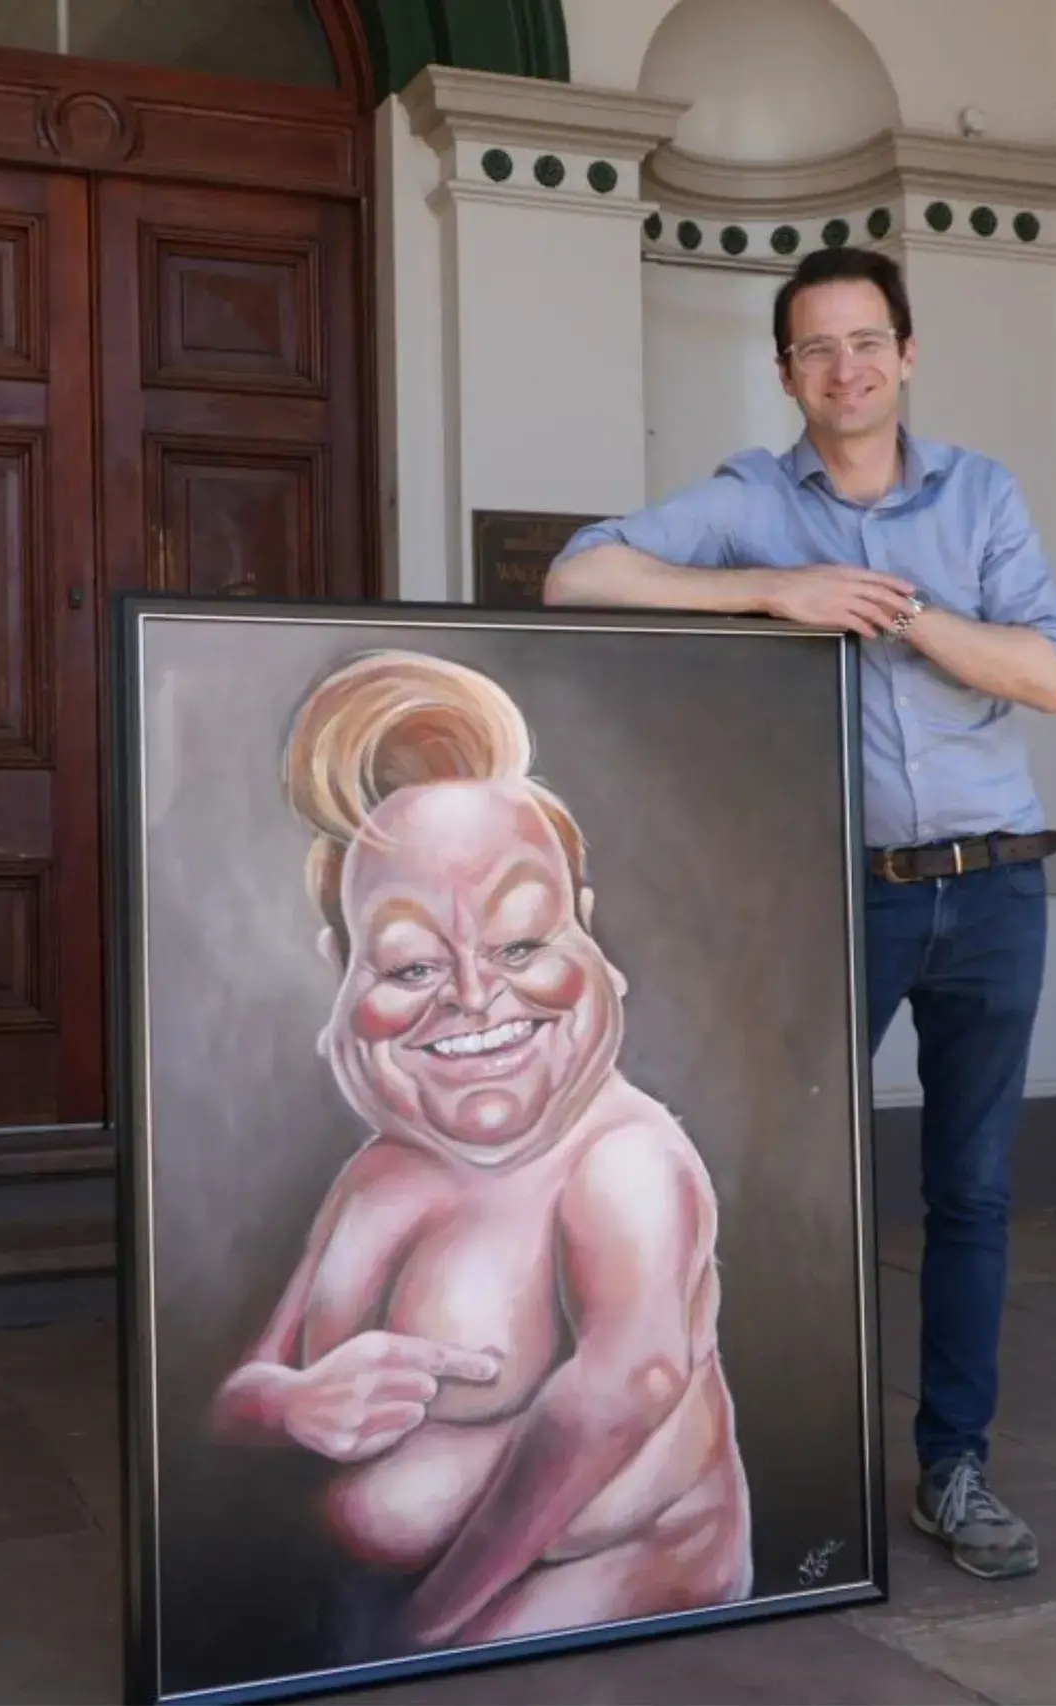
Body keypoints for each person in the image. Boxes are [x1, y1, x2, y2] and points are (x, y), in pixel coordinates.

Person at [543, 245, 1056, 1581]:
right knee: (784, 1187)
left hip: (998, 887)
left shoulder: (982, 496)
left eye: (866, 341)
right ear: (787, 372)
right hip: (845, 899)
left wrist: (902, 617)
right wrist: (773, 591)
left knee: (973, 1192)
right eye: (817, 348)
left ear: (906, 351)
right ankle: (762, 1470)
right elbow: (577, 576)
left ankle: (953, 1466)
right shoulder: (749, 503)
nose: (845, 368)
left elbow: (1050, 673)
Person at [210, 649, 752, 1651]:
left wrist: (428, 1629)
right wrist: (293, 1404)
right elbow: (237, 1393)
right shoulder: (377, 1172)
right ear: (340, 966)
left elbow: (626, 1385)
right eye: (412, 962)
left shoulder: (620, 1157)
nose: (471, 994)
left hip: (591, 1602)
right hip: (385, 1614)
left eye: (517, 944)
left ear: (583, 930)